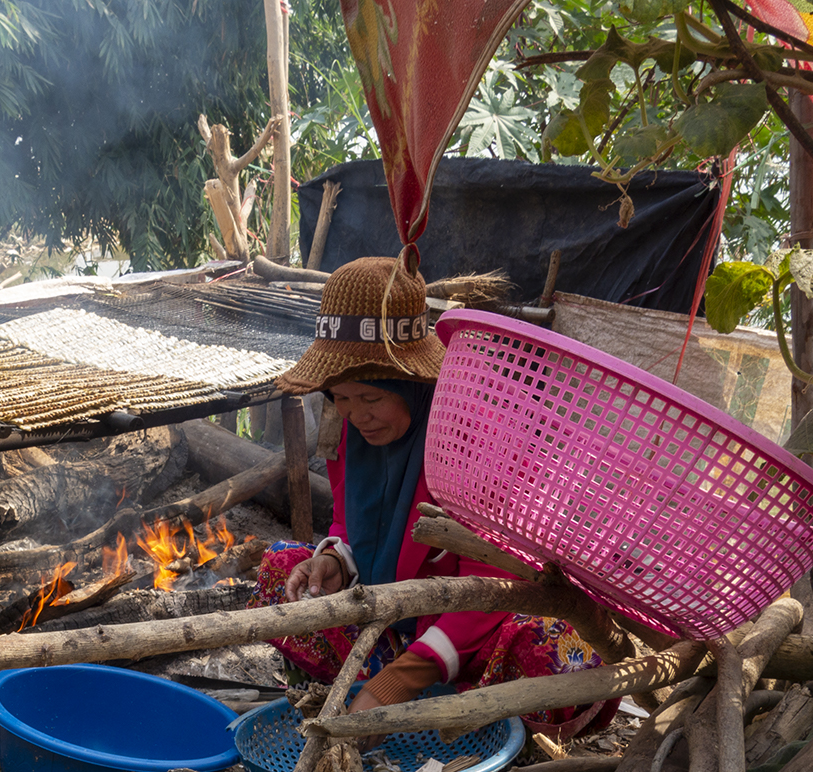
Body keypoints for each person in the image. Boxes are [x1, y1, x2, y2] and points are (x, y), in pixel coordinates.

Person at [248, 254, 618, 737]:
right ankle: (357, 695)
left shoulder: (476, 430)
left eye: (372, 397)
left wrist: (402, 680)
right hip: (393, 623)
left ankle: (481, 725)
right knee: (282, 570)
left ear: (410, 383)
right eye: (341, 397)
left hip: (479, 629)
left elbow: (495, 580)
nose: (357, 415)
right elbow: (348, 520)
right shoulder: (350, 432)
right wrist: (337, 559)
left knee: (556, 646)